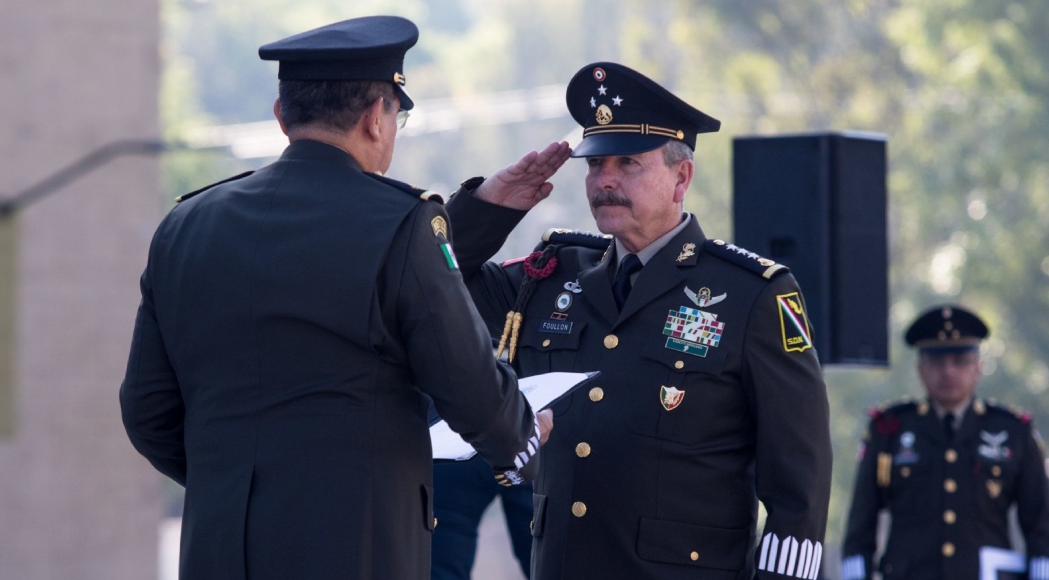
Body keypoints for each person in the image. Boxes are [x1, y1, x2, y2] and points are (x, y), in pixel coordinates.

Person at [119, 16, 562, 580]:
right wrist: (521, 435)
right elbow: (469, 384)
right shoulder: (400, 223)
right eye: (398, 116)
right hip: (358, 549)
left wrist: (235, 483)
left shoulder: (185, 226)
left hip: (220, 549)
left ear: (282, 117)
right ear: (377, 117)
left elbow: (147, 411)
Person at [444, 62, 833, 580]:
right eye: (595, 164)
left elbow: (798, 490)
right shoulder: (551, 277)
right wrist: (489, 208)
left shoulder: (751, 295)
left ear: (681, 177)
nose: (605, 181)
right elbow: (432, 283)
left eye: (628, 163)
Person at [841, 305, 1049, 580]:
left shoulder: (1013, 431)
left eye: (959, 360)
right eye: (937, 361)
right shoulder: (889, 430)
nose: (948, 372)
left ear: (978, 367)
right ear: (920, 369)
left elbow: (1042, 526)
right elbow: (861, 524)